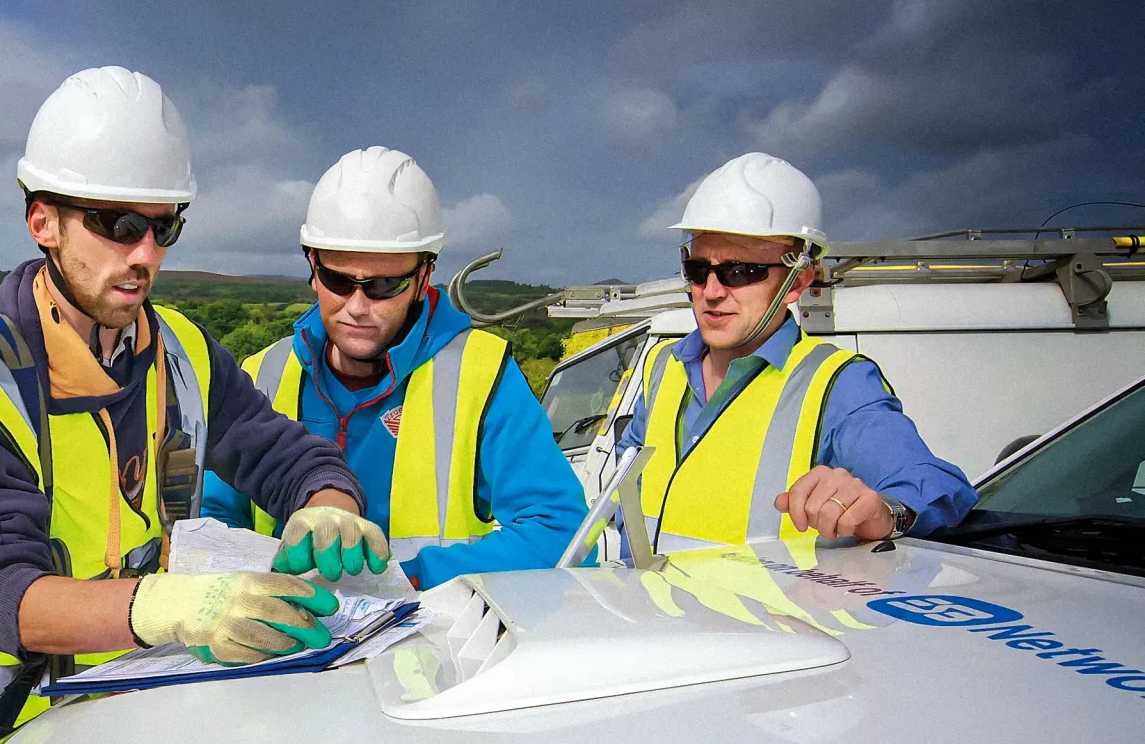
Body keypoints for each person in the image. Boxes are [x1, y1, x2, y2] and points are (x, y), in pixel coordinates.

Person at [0, 66, 383, 744]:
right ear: (42, 221)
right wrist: (177, 607)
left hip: (150, 696)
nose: (145, 254)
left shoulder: (181, 351)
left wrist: (329, 506)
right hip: (15, 740)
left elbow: (282, 455)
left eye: (163, 225)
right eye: (117, 225)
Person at [202, 148, 587, 587]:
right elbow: (214, 522)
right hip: (288, 635)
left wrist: (408, 580)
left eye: (384, 285)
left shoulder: (479, 373)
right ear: (313, 267)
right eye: (338, 280)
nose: (358, 306)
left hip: (436, 638)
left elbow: (561, 533)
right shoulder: (263, 372)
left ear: (425, 275)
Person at [616, 152, 976, 550]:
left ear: (796, 282)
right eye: (699, 270)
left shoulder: (837, 383)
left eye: (739, 271)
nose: (712, 291)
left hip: (762, 614)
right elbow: (627, 486)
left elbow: (935, 483)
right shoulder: (662, 365)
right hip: (645, 609)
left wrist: (885, 511)